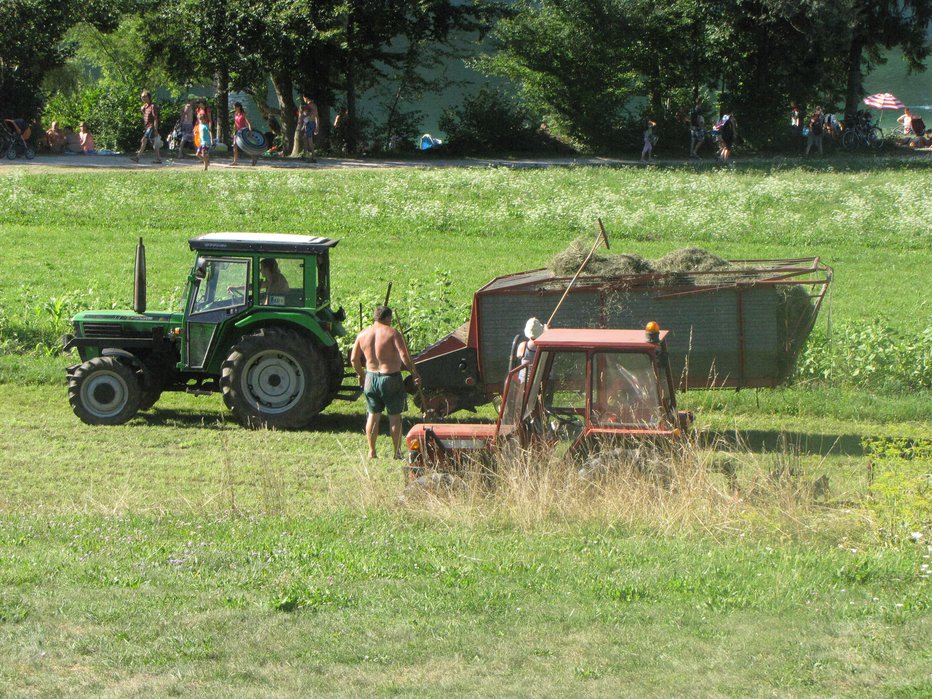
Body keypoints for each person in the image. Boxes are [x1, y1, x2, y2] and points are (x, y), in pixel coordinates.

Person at [350, 306, 421, 459]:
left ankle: (371, 451)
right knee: (394, 416)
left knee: (373, 415)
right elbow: (404, 356)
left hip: (370, 377)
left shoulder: (362, 334)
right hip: (391, 378)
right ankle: (397, 453)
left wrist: (361, 374)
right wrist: (414, 372)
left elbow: (354, 359)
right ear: (387, 318)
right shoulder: (392, 332)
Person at [131, 90, 161, 164]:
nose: (142, 98)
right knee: (147, 141)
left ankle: (157, 159)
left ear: (149, 97)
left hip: (151, 127)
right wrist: (143, 110)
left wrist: (156, 129)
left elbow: (155, 118)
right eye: (142, 97)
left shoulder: (152, 106)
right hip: (148, 127)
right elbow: (145, 115)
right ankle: (138, 157)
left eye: (144, 96)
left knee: (148, 141)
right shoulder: (145, 107)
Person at [231, 102, 257, 166]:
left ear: (238, 107)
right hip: (237, 132)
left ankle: (253, 157)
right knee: (234, 145)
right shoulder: (235, 114)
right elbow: (235, 124)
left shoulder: (243, 114)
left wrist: (250, 130)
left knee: (245, 147)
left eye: (235, 107)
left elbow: (248, 123)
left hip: (242, 132)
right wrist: (233, 132)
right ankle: (235, 161)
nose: (234, 108)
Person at [299, 95, 319, 162]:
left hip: (309, 124)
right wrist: (317, 126)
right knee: (304, 138)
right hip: (312, 123)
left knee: (309, 140)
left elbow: (306, 116)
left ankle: (313, 157)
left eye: (303, 98)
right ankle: (305, 154)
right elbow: (316, 116)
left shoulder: (308, 106)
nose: (303, 99)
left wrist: (303, 124)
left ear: (306, 98)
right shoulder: (314, 106)